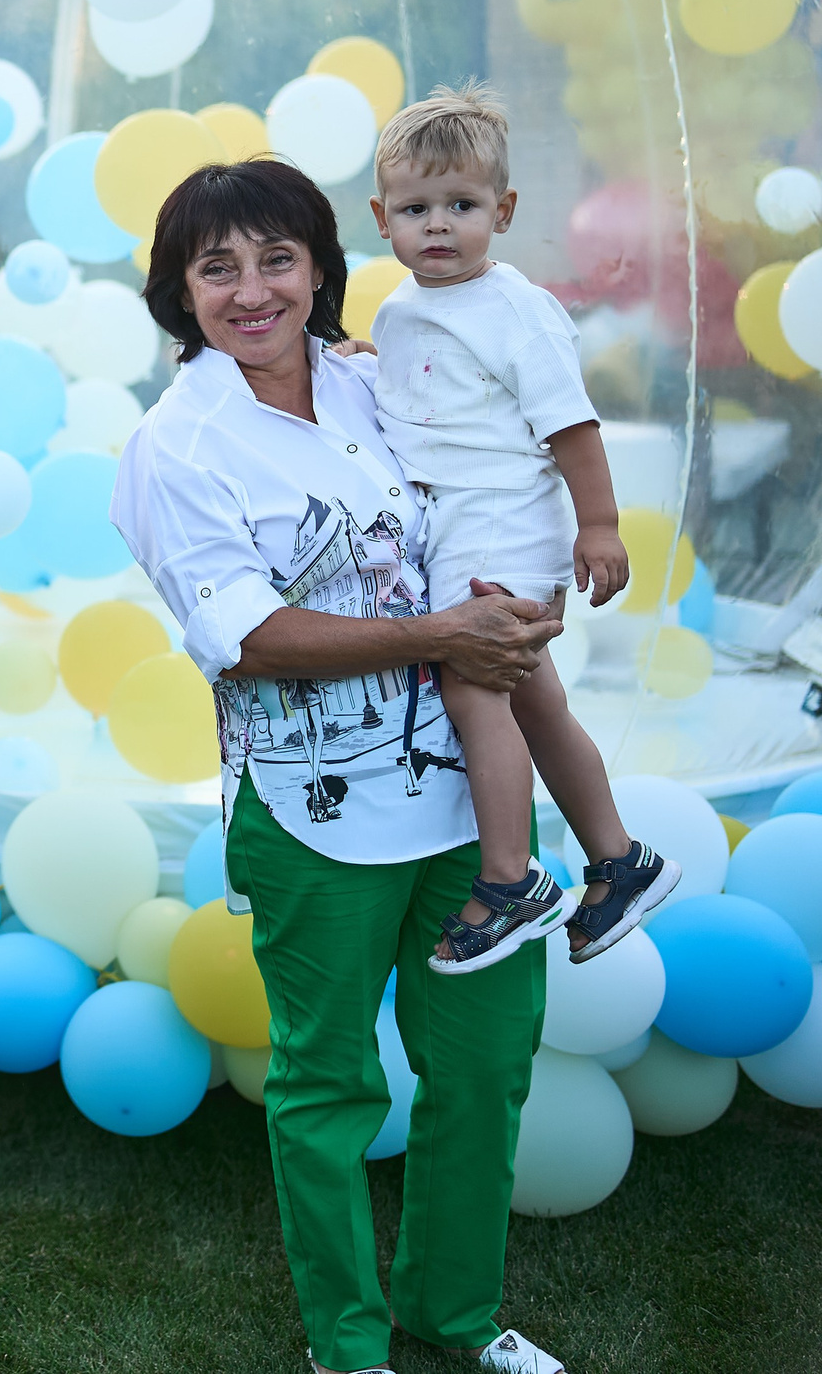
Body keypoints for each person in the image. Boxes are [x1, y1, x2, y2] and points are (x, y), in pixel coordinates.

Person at [109, 158, 568, 1374]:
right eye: (217, 269)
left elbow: (497, 482)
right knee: (327, 1086)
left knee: (482, 1070)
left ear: (319, 266)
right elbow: (249, 641)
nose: (251, 290)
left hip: (473, 797)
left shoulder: (382, 381)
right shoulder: (175, 446)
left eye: (275, 259)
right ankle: (347, 1346)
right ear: (180, 292)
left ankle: (455, 1314)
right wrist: (440, 635)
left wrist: (526, 595)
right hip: (319, 818)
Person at [364, 86, 676, 973]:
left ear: (501, 211)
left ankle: (510, 878)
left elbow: (570, 424)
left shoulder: (515, 307)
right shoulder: (399, 311)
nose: (438, 226)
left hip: (501, 523)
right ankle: (619, 859)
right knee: (534, 700)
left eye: (461, 206)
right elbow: (412, 394)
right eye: (417, 209)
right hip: (453, 529)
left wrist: (600, 524)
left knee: (472, 689)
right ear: (383, 217)